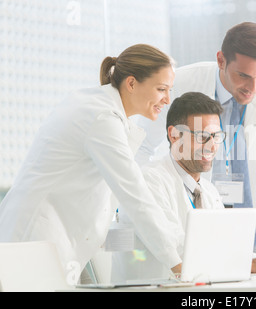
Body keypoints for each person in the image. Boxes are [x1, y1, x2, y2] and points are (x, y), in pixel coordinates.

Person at [0, 44, 183, 284]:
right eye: (161, 89)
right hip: (35, 241)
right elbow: (135, 196)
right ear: (131, 83)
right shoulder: (102, 118)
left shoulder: (101, 109)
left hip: (57, 241)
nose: (167, 99)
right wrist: (177, 264)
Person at [135, 22, 256, 261]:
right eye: (243, 75)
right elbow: (142, 147)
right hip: (201, 222)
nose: (253, 88)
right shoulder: (180, 83)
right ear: (221, 60)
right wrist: (133, 207)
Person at [111, 92, 256, 282]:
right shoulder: (148, 181)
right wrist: (252, 263)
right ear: (174, 135)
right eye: (202, 136)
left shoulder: (208, 191)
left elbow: (226, 247)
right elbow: (177, 247)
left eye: (216, 136)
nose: (213, 145)